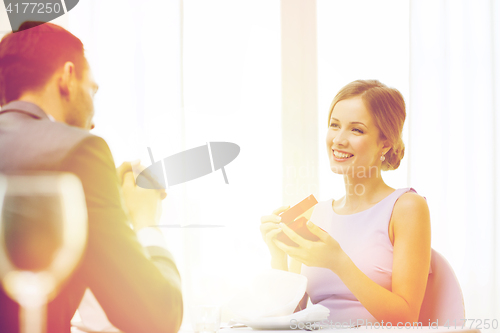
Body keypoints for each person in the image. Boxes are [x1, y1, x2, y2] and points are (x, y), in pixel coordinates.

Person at [0, 21, 183, 333]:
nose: (94, 122)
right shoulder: (81, 151)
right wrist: (145, 218)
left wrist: (103, 195)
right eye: (92, 91)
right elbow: (156, 317)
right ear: (68, 77)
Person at [260, 80, 432, 327]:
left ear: (385, 142)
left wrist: (337, 261)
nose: (338, 140)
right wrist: (278, 256)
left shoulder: (407, 207)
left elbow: (406, 318)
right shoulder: (312, 214)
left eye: (356, 130)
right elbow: (292, 317)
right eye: (334, 125)